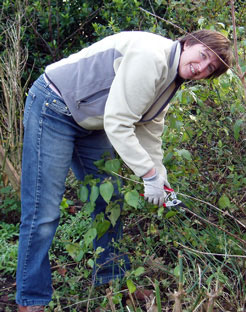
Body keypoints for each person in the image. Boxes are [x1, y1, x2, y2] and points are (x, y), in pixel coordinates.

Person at [16, 29, 232, 311]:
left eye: (209, 69)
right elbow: (119, 123)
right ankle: (31, 299)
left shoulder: (172, 78)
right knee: (43, 211)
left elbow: (149, 128)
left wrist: (159, 173)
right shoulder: (152, 56)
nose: (200, 67)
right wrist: (147, 175)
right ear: (189, 43)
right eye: (203, 56)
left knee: (110, 200)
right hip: (55, 107)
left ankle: (112, 278)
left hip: (92, 121)